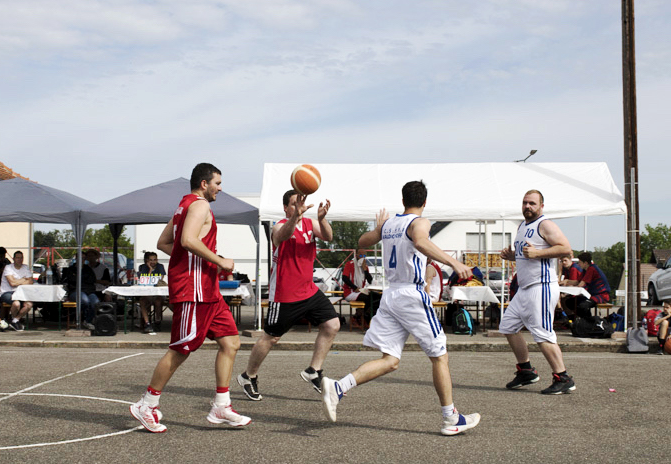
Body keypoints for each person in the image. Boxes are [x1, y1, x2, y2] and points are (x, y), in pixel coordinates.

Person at [319, 180, 481, 436]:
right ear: (424, 202)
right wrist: (454, 263)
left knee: (390, 361)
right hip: (411, 294)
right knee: (440, 355)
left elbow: (362, 242)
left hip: (391, 295)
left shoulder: (390, 224)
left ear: (403, 200)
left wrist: (378, 229)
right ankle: (451, 418)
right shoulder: (420, 222)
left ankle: (338, 387)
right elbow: (420, 242)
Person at [129, 162, 249, 432]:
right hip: (193, 290)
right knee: (180, 350)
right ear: (204, 184)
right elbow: (187, 240)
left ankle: (221, 406)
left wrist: (195, 261)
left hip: (208, 290)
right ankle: (146, 404)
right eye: (217, 183)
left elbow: (164, 243)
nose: (220, 188)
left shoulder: (182, 206)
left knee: (231, 342)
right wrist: (219, 260)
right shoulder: (200, 205)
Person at [237, 190, 341, 402]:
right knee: (271, 338)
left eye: (301, 203)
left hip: (308, 290)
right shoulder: (279, 226)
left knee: (332, 325)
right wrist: (295, 217)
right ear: (285, 208)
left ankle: (314, 370)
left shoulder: (310, 224)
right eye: (294, 204)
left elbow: (329, 237)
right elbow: (282, 236)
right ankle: (248, 376)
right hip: (284, 294)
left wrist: (322, 219)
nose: (299, 207)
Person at [499, 189, 577, 395]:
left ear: (541, 206)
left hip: (541, 286)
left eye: (532, 203)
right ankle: (526, 371)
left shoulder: (545, 224)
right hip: (525, 288)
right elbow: (527, 255)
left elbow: (565, 249)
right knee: (508, 326)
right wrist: (512, 256)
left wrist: (537, 253)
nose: (527, 206)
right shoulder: (522, 226)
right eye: (525, 202)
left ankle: (563, 377)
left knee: (542, 334)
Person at [0, 251, 36, 331]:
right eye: (17, 258)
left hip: (21, 292)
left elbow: (31, 281)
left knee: (29, 304)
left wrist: (17, 281)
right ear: (13, 259)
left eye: (21, 258)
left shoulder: (25, 267)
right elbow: (12, 283)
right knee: (16, 304)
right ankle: (15, 321)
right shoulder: (8, 267)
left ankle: (15, 321)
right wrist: (24, 279)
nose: (20, 259)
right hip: (7, 292)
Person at [570, 252, 612, 318]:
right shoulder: (585, 270)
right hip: (592, 294)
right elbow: (578, 282)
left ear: (585, 263)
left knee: (582, 306)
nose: (578, 264)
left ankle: (588, 321)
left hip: (601, 295)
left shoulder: (591, 269)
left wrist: (569, 288)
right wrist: (566, 282)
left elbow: (581, 284)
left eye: (580, 262)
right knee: (570, 302)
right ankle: (585, 319)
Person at [136, 251, 167, 334]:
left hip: (157, 292)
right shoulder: (143, 267)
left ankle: (157, 321)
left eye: (154, 260)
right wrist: (150, 269)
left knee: (158, 301)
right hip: (147, 292)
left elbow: (160, 279)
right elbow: (145, 280)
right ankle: (147, 323)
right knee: (142, 301)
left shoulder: (160, 266)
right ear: (147, 260)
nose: (153, 262)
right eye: (151, 260)